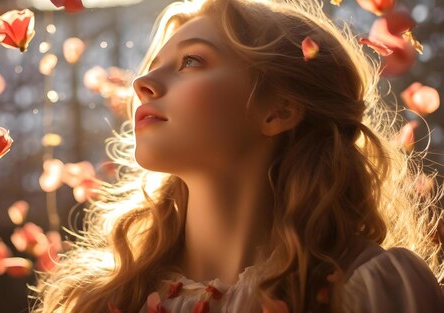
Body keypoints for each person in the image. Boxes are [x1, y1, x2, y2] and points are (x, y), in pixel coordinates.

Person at [29, 0, 444, 312]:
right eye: (153, 65)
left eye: (191, 60)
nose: (142, 82)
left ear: (278, 110)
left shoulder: (369, 291)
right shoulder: (102, 300)